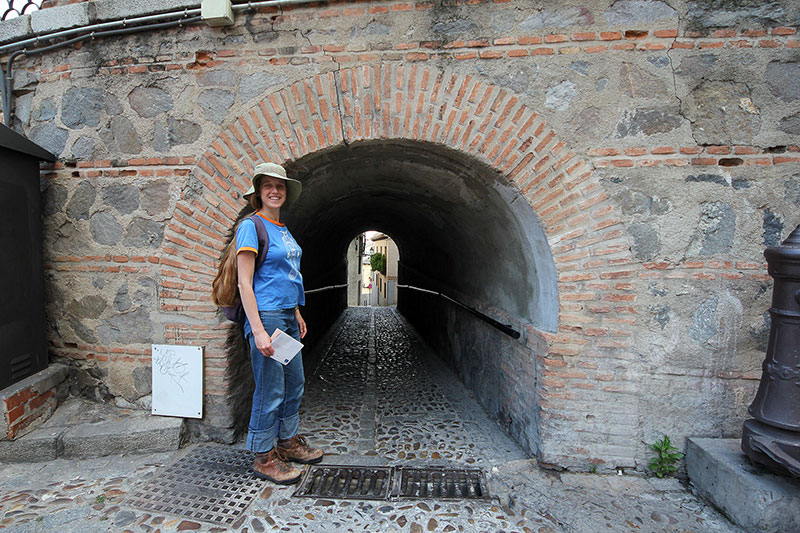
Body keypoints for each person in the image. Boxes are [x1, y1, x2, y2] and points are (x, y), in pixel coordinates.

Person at [236, 162, 323, 484]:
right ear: (258, 192)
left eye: (280, 186)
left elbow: (288, 276)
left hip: (286, 315)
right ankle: (263, 456)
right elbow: (246, 283)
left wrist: (297, 311)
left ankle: (286, 443)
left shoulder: (283, 229)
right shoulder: (251, 226)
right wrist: (257, 330)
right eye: (268, 186)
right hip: (267, 317)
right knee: (270, 388)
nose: (275, 191)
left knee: (295, 382)